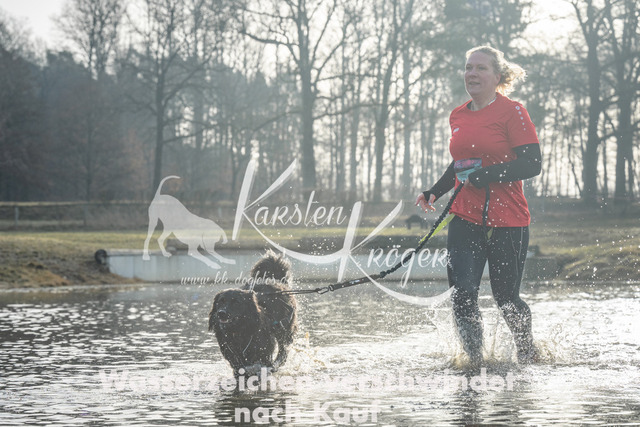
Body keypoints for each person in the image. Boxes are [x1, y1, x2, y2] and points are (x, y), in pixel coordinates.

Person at [416, 45, 542, 366]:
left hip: (508, 221)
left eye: (480, 68)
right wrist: (435, 191)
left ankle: (528, 353)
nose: (471, 73)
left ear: (497, 76)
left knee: (506, 299)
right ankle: (474, 362)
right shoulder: (458, 115)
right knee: (462, 293)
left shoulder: (513, 112)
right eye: (468, 67)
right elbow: (460, 163)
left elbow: (532, 163)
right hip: (465, 218)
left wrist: (488, 174)